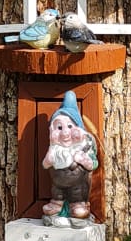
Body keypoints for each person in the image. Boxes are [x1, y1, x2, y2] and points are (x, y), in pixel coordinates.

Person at [41, 90, 98, 223]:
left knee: (77, 192)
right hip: (58, 184)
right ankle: (56, 204)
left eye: (70, 126)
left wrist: (84, 160)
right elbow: (45, 164)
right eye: (59, 128)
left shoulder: (83, 147)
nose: (65, 133)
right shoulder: (54, 149)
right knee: (57, 191)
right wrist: (48, 161)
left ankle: (77, 205)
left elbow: (93, 164)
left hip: (77, 184)